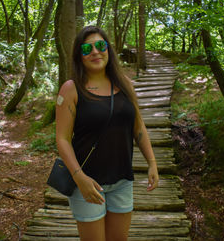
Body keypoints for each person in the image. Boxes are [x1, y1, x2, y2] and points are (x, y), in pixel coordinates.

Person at [55, 25, 159, 241]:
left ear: (109, 50)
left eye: (101, 45)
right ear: (79, 55)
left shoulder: (125, 85)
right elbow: (62, 139)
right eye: (87, 49)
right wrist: (79, 177)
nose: (95, 52)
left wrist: (152, 162)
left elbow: (138, 128)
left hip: (122, 181)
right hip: (87, 182)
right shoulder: (71, 89)